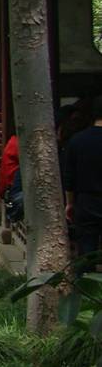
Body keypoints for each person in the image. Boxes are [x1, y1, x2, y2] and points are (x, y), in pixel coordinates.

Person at [63, 97, 102, 258]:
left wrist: (70, 203)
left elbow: (69, 179)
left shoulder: (77, 141)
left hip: (86, 202)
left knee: (86, 253)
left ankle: (85, 280)